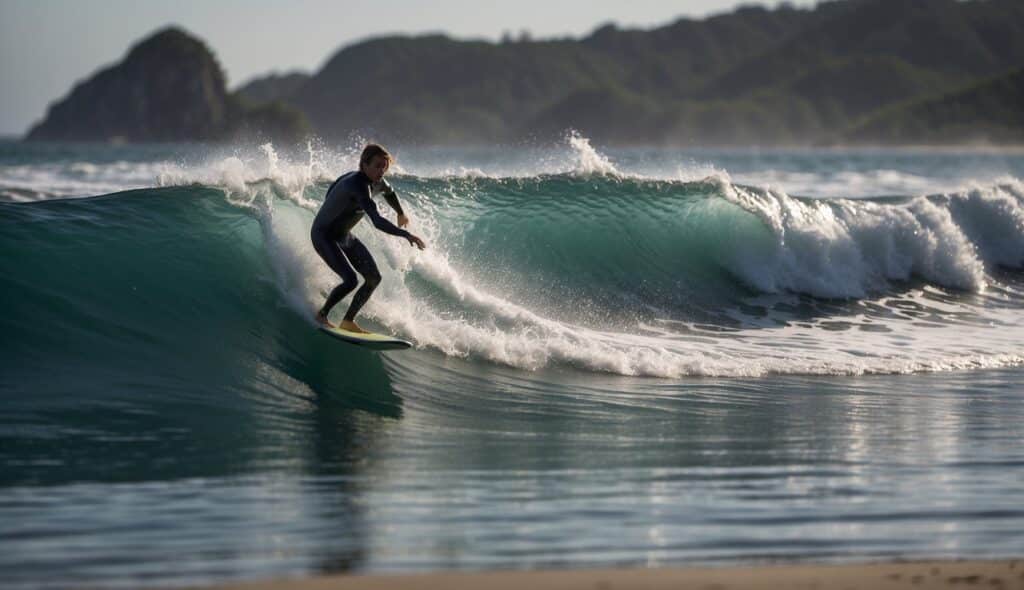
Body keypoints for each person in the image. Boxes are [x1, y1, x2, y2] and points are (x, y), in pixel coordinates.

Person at [311, 144, 426, 332]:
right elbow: (378, 221)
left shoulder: (378, 181)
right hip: (323, 235)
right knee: (350, 280)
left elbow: (390, 193)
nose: (382, 171)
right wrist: (406, 235)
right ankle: (321, 315)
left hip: (342, 234)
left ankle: (348, 321)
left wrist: (400, 212)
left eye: (385, 166)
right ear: (364, 164)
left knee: (373, 278)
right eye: (377, 165)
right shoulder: (357, 185)